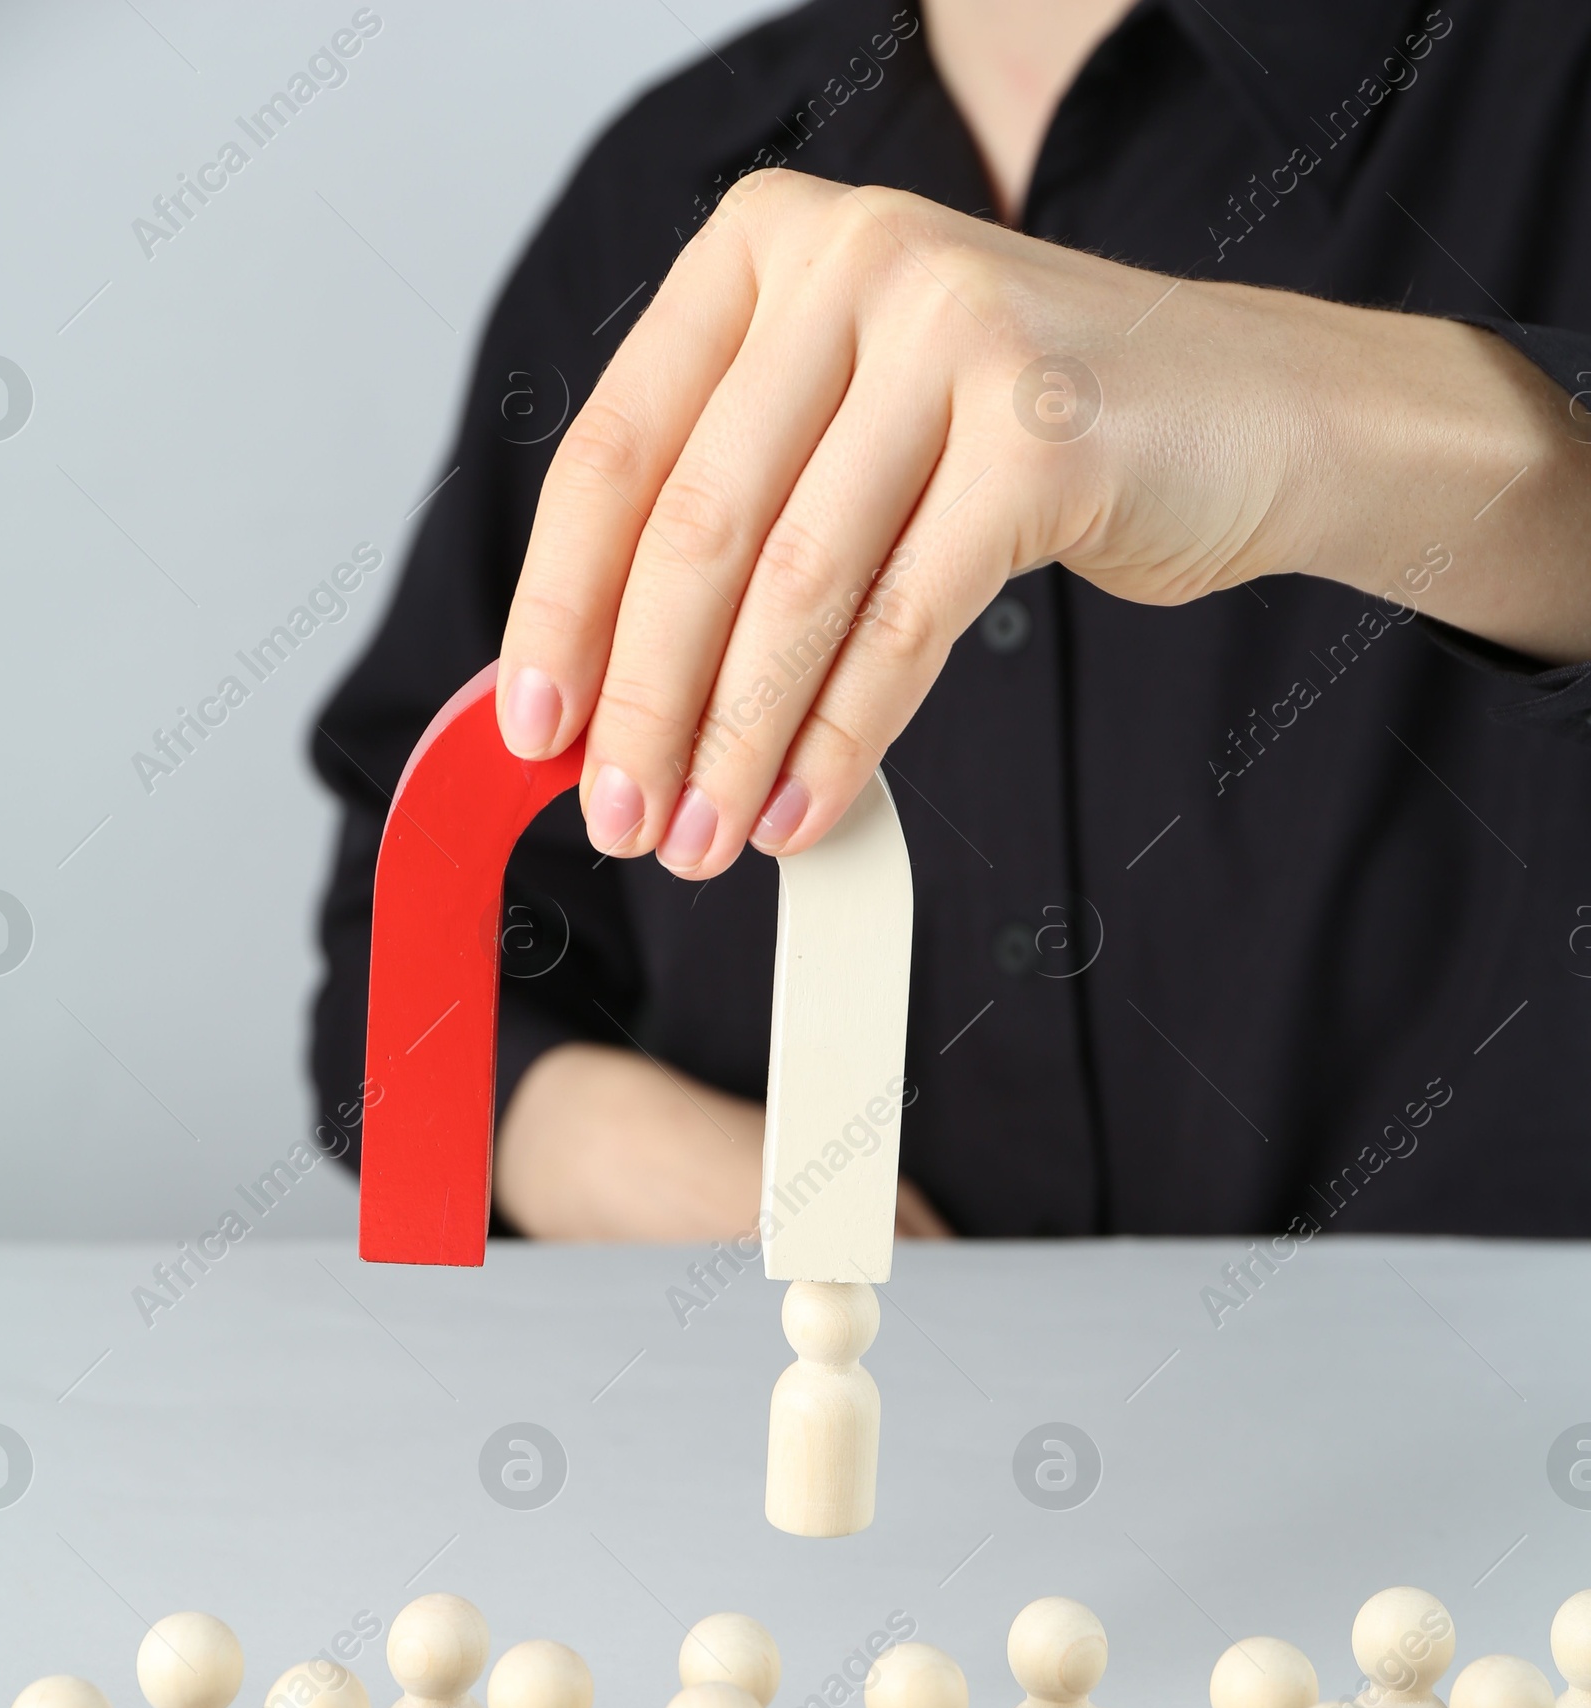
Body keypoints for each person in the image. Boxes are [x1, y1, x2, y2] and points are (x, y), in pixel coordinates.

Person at [311, 0, 1591, 1244]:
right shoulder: (660, 187)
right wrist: (572, 1129)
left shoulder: (1548, 87)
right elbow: (410, 916)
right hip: (750, 1420)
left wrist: (1380, 423)